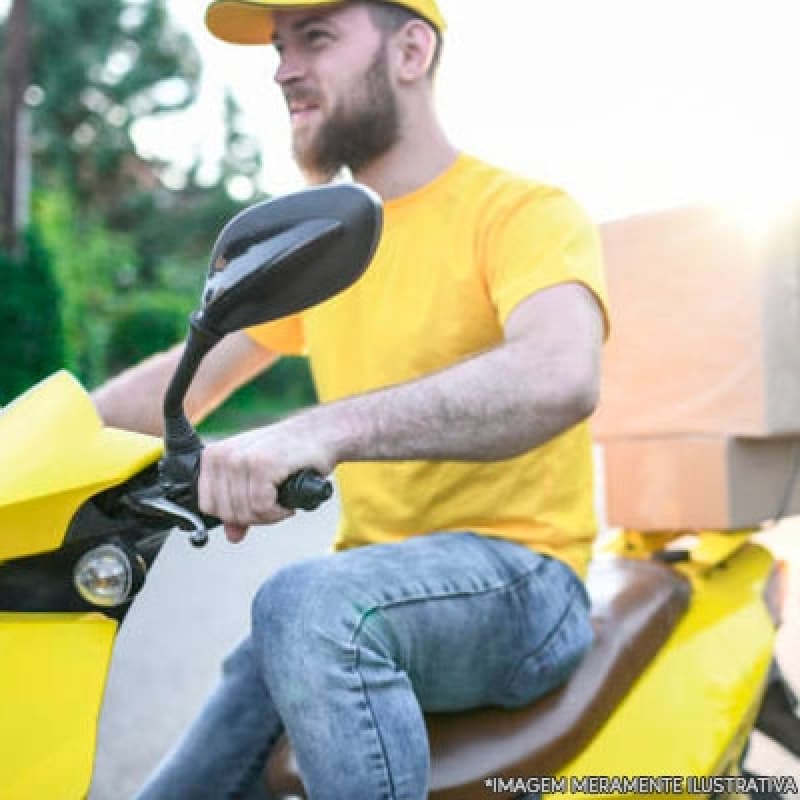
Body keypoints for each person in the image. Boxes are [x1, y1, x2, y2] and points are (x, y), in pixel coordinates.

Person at [94, 1, 609, 797]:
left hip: (526, 584)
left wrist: (317, 432)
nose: (283, 68)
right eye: (278, 45)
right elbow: (174, 384)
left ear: (410, 51)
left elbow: (560, 372)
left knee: (304, 604)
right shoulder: (329, 246)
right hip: (361, 593)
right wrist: (29, 442)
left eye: (317, 38)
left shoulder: (522, 213)